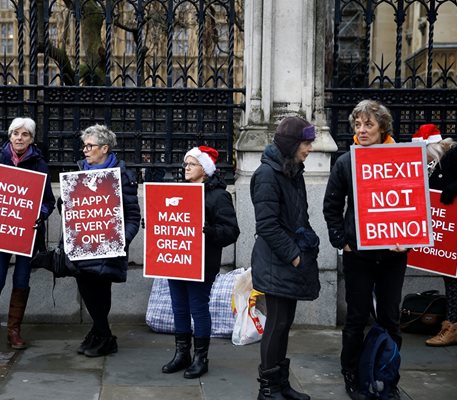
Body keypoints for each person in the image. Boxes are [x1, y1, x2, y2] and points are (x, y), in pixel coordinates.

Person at [323, 100, 407, 400]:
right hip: (358, 254)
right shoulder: (346, 162)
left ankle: (388, 375)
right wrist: (340, 238)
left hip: (394, 254)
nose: (362, 130)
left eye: (368, 124)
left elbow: (416, 203)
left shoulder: (403, 158)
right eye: (357, 125)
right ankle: (352, 372)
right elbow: (331, 206)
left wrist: (409, 236)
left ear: (383, 127)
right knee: (356, 318)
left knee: (390, 317)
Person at [0, 117, 55, 352]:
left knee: (21, 281)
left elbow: (48, 201)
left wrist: (41, 213)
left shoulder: (39, 164)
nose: (20, 138)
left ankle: (14, 332)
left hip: (27, 234)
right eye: (16, 133)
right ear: (10, 135)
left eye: (25, 134)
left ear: (31, 139)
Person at [251, 116, 320, 400]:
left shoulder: (291, 169)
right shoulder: (268, 174)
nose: (310, 148)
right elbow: (266, 225)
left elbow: (297, 216)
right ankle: (268, 389)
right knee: (276, 324)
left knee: (284, 324)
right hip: (276, 262)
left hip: (288, 260)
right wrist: (294, 257)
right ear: (292, 144)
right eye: (306, 143)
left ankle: (280, 385)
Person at [161, 146, 240, 379]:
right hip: (177, 261)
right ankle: (181, 353)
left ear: (204, 170)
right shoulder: (181, 192)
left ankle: (200, 358)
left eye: (192, 164)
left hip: (201, 264)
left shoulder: (218, 196)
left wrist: (209, 231)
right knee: (179, 308)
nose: (186, 168)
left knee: (198, 308)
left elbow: (231, 231)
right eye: (185, 164)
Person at [68, 124, 141, 357]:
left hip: (109, 249)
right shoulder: (79, 174)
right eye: (84, 146)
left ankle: (101, 335)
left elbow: (133, 216)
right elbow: (73, 215)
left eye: (90, 146)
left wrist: (122, 240)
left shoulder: (121, 177)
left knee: (100, 291)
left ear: (104, 148)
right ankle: (103, 334)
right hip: (83, 246)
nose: (85, 151)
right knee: (86, 288)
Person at [411, 124, 457, 346]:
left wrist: (454, 188)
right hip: (456, 227)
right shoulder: (433, 164)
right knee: (452, 273)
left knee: (451, 272)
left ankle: (450, 326)